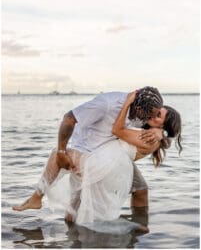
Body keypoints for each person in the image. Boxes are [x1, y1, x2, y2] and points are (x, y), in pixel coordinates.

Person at [12, 90, 182, 228]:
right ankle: (136, 228)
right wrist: (162, 132)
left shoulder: (148, 129)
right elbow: (69, 118)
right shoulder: (124, 110)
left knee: (58, 156)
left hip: (108, 162)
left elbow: (118, 131)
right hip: (98, 153)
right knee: (74, 192)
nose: (151, 116)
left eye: (157, 115)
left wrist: (160, 131)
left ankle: (37, 198)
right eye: (154, 112)